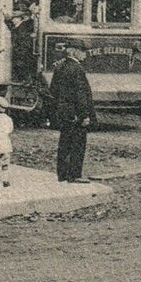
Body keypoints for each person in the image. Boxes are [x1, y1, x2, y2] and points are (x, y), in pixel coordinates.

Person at [49, 40, 95, 183]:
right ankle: (75, 175)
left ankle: (62, 174)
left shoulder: (59, 67)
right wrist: (84, 115)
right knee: (77, 144)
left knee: (64, 143)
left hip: (63, 112)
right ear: (74, 51)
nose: (85, 55)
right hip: (75, 114)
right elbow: (81, 94)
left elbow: (53, 91)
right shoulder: (77, 69)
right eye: (83, 52)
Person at [5, 0, 38, 83]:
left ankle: (25, 80)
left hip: (23, 51)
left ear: (21, 18)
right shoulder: (18, 26)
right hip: (19, 50)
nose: (13, 20)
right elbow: (10, 26)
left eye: (15, 17)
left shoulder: (26, 25)